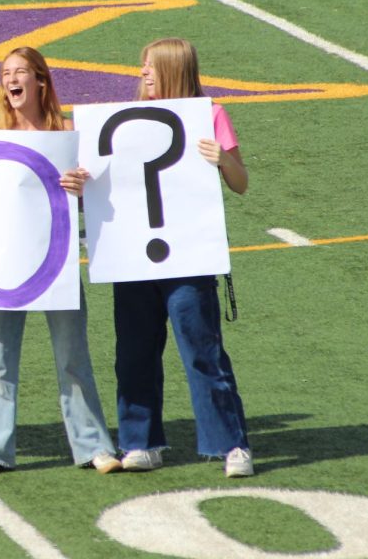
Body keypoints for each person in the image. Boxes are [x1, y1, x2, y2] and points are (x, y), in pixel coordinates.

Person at [0, 47, 121, 478]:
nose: (11, 80)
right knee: (0, 358)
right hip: (4, 265)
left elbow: (93, 202)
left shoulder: (66, 136)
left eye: (20, 72)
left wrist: (82, 183)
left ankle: (93, 445)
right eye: (5, 73)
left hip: (55, 265)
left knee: (72, 354)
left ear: (41, 81)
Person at [113, 37, 253, 478]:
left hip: (189, 256)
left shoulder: (209, 116)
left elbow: (241, 182)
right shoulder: (126, 120)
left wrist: (221, 161)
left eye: (150, 67)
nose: (142, 74)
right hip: (135, 254)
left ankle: (231, 444)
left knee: (202, 350)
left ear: (173, 69)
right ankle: (141, 441)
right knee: (134, 352)